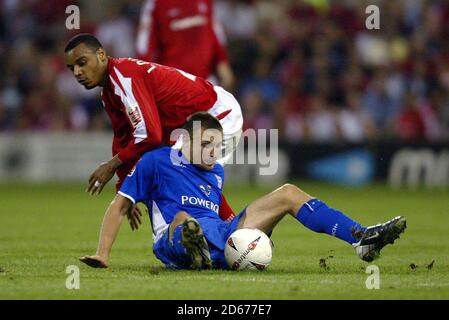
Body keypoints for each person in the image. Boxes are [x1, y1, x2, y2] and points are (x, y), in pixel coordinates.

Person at [79, 112, 407, 270]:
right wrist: (103, 254)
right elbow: (119, 205)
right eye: (207, 144)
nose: (214, 152)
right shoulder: (156, 162)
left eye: (218, 146)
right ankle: (195, 251)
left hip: (219, 232)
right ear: (185, 141)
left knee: (289, 192)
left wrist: (253, 235)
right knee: (185, 219)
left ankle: (360, 238)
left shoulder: (216, 172)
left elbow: (223, 214)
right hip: (171, 238)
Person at [64, 33, 242, 222]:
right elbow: (123, 140)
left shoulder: (123, 77)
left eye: (82, 63)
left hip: (216, 113)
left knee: (181, 177)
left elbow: (150, 134)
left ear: (101, 54)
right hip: (194, 122)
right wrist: (126, 190)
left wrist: (111, 165)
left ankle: (227, 233)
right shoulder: (109, 92)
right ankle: (232, 231)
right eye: (71, 68)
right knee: (187, 179)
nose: (77, 72)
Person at [136, 0, 235, 90]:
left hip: (206, 80)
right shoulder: (155, 4)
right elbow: (145, 45)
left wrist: (222, 61)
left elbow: (213, 30)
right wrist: (144, 79)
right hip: (173, 86)